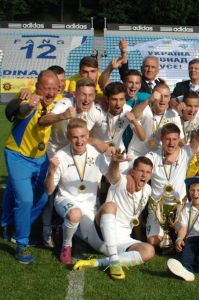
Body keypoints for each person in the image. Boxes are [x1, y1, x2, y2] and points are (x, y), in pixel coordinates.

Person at [2, 70, 59, 264]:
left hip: (40, 158)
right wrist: (28, 104)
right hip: (18, 156)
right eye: (46, 88)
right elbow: (16, 111)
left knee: (42, 198)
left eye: (54, 88)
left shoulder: (57, 102)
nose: (50, 92)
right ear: (37, 87)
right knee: (25, 199)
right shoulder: (28, 98)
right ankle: (21, 242)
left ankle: (10, 225)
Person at [73, 155, 155, 280]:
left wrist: (139, 239)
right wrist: (115, 162)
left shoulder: (148, 190)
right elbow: (113, 174)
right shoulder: (122, 181)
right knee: (110, 206)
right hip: (100, 236)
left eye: (148, 172)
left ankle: (99, 262)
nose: (144, 175)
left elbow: (136, 217)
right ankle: (114, 261)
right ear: (132, 171)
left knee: (149, 250)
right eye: (141, 171)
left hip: (122, 240)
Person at [45, 118, 110, 264]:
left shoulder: (96, 154)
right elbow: (49, 191)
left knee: (99, 247)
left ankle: (64, 228)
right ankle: (66, 245)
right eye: (74, 137)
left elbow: (111, 178)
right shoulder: (60, 156)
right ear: (69, 137)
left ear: (88, 136)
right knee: (75, 214)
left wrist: (116, 163)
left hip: (89, 205)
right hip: (65, 199)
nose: (79, 141)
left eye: (82, 137)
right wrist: (51, 171)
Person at [145, 121, 199, 247]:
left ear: (179, 139)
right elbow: (141, 171)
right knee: (153, 241)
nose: (171, 143)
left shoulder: (185, 153)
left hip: (180, 208)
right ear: (162, 139)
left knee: (192, 237)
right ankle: (169, 234)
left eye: (174, 139)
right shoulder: (152, 156)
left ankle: (175, 234)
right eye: (168, 139)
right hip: (159, 209)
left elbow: (198, 137)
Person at [127, 83, 184, 159]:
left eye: (166, 96)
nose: (162, 100)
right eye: (159, 96)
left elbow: (181, 141)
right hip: (136, 154)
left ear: (169, 98)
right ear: (153, 96)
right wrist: (148, 100)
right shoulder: (144, 108)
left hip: (158, 157)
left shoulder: (173, 114)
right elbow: (132, 116)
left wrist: (175, 154)